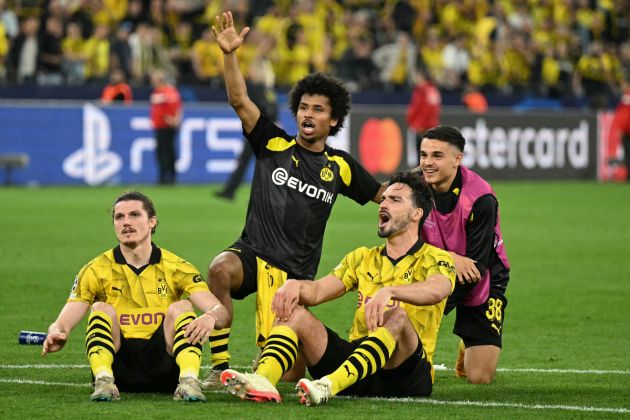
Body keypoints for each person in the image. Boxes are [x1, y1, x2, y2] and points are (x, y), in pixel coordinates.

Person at [203, 11, 385, 388]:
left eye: (318, 109)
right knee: (220, 268)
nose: (308, 114)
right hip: (252, 253)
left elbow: (385, 195)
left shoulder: (340, 167)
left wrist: (421, 185)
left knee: (289, 375)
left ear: (333, 121)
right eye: (304, 107)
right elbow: (239, 99)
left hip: (293, 276)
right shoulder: (272, 143)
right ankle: (218, 364)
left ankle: (272, 357)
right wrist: (230, 55)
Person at [219, 170, 455, 405]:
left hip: (406, 376)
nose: (384, 204)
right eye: (384, 199)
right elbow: (318, 291)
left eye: (395, 200)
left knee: (396, 315)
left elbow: (439, 289)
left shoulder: (435, 258)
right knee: (294, 312)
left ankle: (327, 386)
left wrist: (390, 292)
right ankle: (261, 381)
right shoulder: (362, 257)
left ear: (416, 214)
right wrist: (295, 286)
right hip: (358, 367)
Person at [42, 191, 229, 402]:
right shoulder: (95, 269)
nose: (126, 223)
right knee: (100, 308)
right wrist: (56, 333)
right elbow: (61, 324)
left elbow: (221, 311)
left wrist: (210, 317)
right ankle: (104, 381)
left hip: (166, 370)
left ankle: (189, 382)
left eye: (134, 215)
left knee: (183, 307)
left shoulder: (177, 267)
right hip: (118, 369)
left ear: (152, 221)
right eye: (119, 217)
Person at [418, 125, 510, 384]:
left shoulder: (480, 198)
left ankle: (467, 339)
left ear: (457, 159)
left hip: (485, 277)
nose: (427, 163)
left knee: (479, 378)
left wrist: (434, 301)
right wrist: (449, 259)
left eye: (437, 156)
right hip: (435, 269)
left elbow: (475, 268)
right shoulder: (414, 186)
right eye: (423, 155)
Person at [215, 32, 278, 201]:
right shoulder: (260, 84)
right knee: (257, 160)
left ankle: (230, 190)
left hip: (262, 126)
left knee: (258, 160)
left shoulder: (262, 84)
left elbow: (269, 104)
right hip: (258, 126)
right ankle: (230, 190)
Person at [150, 69, 182, 184]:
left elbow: (173, 107)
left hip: (166, 126)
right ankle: (166, 176)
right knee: (164, 152)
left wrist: (173, 120)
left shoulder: (165, 92)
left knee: (166, 152)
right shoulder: (167, 92)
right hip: (161, 126)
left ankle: (167, 177)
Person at [406, 71, 441, 165]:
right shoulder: (433, 90)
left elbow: (418, 109)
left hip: (421, 128)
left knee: (421, 155)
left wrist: (416, 124)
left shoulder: (422, 91)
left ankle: (422, 177)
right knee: (429, 154)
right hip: (431, 128)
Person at [612, 82, 630, 181]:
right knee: (627, 154)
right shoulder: (625, 97)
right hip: (626, 130)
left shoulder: (627, 98)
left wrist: (621, 129)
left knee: (628, 153)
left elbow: (625, 116)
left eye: (624, 84)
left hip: (627, 130)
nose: (622, 87)